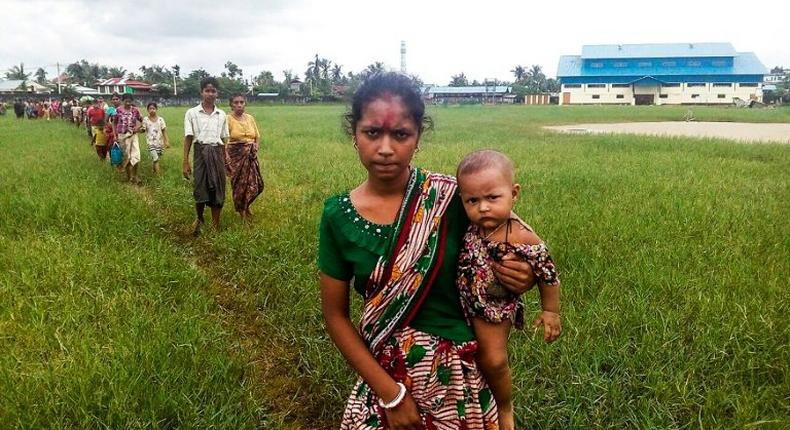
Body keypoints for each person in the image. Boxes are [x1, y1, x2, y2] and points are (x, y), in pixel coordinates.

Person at [318, 72, 537, 429]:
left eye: (400, 134)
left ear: (417, 137)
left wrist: (522, 274)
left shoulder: (452, 197)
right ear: (354, 134)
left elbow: (517, 244)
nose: (386, 148)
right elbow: (335, 316)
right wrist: (391, 395)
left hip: (459, 378)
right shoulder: (338, 217)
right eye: (372, 132)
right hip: (387, 379)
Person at [455, 149, 562, 430]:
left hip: (492, 309)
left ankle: (504, 409)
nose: (483, 208)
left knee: (493, 359)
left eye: (493, 198)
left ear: (514, 193)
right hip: (462, 301)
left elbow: (548, 274)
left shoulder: (522, 235)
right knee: (467, 355)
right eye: (472, 200)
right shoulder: (472, 224)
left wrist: (550, 311)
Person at [183, 77, 229, 235]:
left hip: (217, 152)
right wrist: (185, 162)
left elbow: (224, 139)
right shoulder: (192, 113)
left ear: (217, 93)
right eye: (207, 90)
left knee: (218, 187)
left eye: (213, 91)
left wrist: (226, 159)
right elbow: (189, 137)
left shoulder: (221, 114)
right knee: (200, 187)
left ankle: (216, 224)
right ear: (201, 92)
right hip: (200, 152)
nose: (210, 94)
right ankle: (200, 217)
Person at [225, 94, 264, 221]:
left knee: (256, 184)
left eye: (242, 102)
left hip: (251, 156)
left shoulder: (250, 118)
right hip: (236, 156)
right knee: (239, 185)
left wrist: (256, 146)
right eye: (236, 102)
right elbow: (224, 139)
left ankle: (247, 205)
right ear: (231, 104)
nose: (239, 105)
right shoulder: (227, 119)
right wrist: (226, 159)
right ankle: (242, 211)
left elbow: (257, 136)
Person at [115, 93, 143, 184]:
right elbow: (113, 122)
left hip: (133, 135)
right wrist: (115, 136)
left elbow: (141, 121)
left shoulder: (135, 110)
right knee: (126, 156)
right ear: (123, 101)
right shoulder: (118, 110)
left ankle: (135, 176)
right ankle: (128, 176)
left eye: (129, 101)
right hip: (122, 136)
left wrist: (137, 128)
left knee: (136, 156)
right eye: (126, 101)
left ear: (132, 101)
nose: (128, 103)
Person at [142, 102, 168, 176]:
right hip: (150, 143)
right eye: (150, 109)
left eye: (153, 108)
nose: (152, 110)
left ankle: (153, 171)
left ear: (156, 109)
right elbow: (143, 129)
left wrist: (166, 141)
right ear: (147, 110)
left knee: (156, 159)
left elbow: (164, 130)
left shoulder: (160, 119)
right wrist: (139, 129)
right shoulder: (146, 119)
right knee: (156, 158)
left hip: (159, 143)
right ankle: (158, 176)